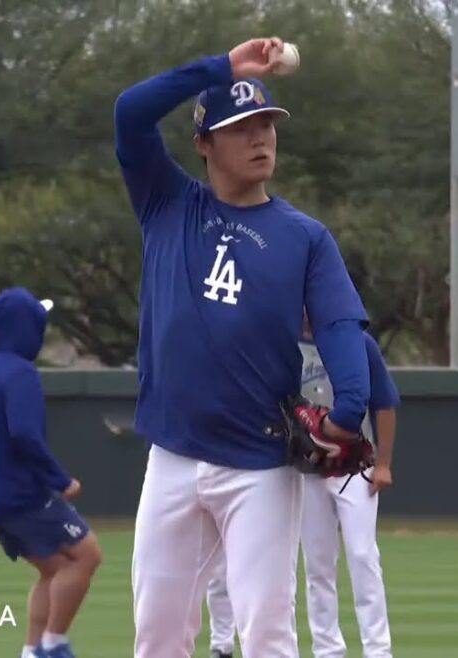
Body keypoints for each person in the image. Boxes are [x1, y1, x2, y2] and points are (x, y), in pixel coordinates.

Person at [114, 37, 372, 658]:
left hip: (257, 463)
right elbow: (130, 111)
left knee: (266, 633)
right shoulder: (166, 203)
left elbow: (339, 325)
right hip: (172, 453)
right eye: (240, 127)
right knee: (157, 634)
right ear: (203, 144)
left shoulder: (304, 237)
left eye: (266, 125)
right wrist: (223, 68)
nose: (260, 138)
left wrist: (350, 406)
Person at [205, 313, 399, 658]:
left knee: (362, 555)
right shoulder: (282, 344)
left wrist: (383, 463)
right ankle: (328, 650)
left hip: (354, 468)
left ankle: (378, 650)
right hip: (307, 469)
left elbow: (384, 402)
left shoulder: (357, 342)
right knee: (318, 564)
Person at [0, 287, 103, 658]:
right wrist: (60, 479)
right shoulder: (20, 372)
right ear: (26, 327)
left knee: (54, 569)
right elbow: (24, 433)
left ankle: (31, 650)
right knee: (87, 556)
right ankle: (53, 645)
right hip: (22, 494)